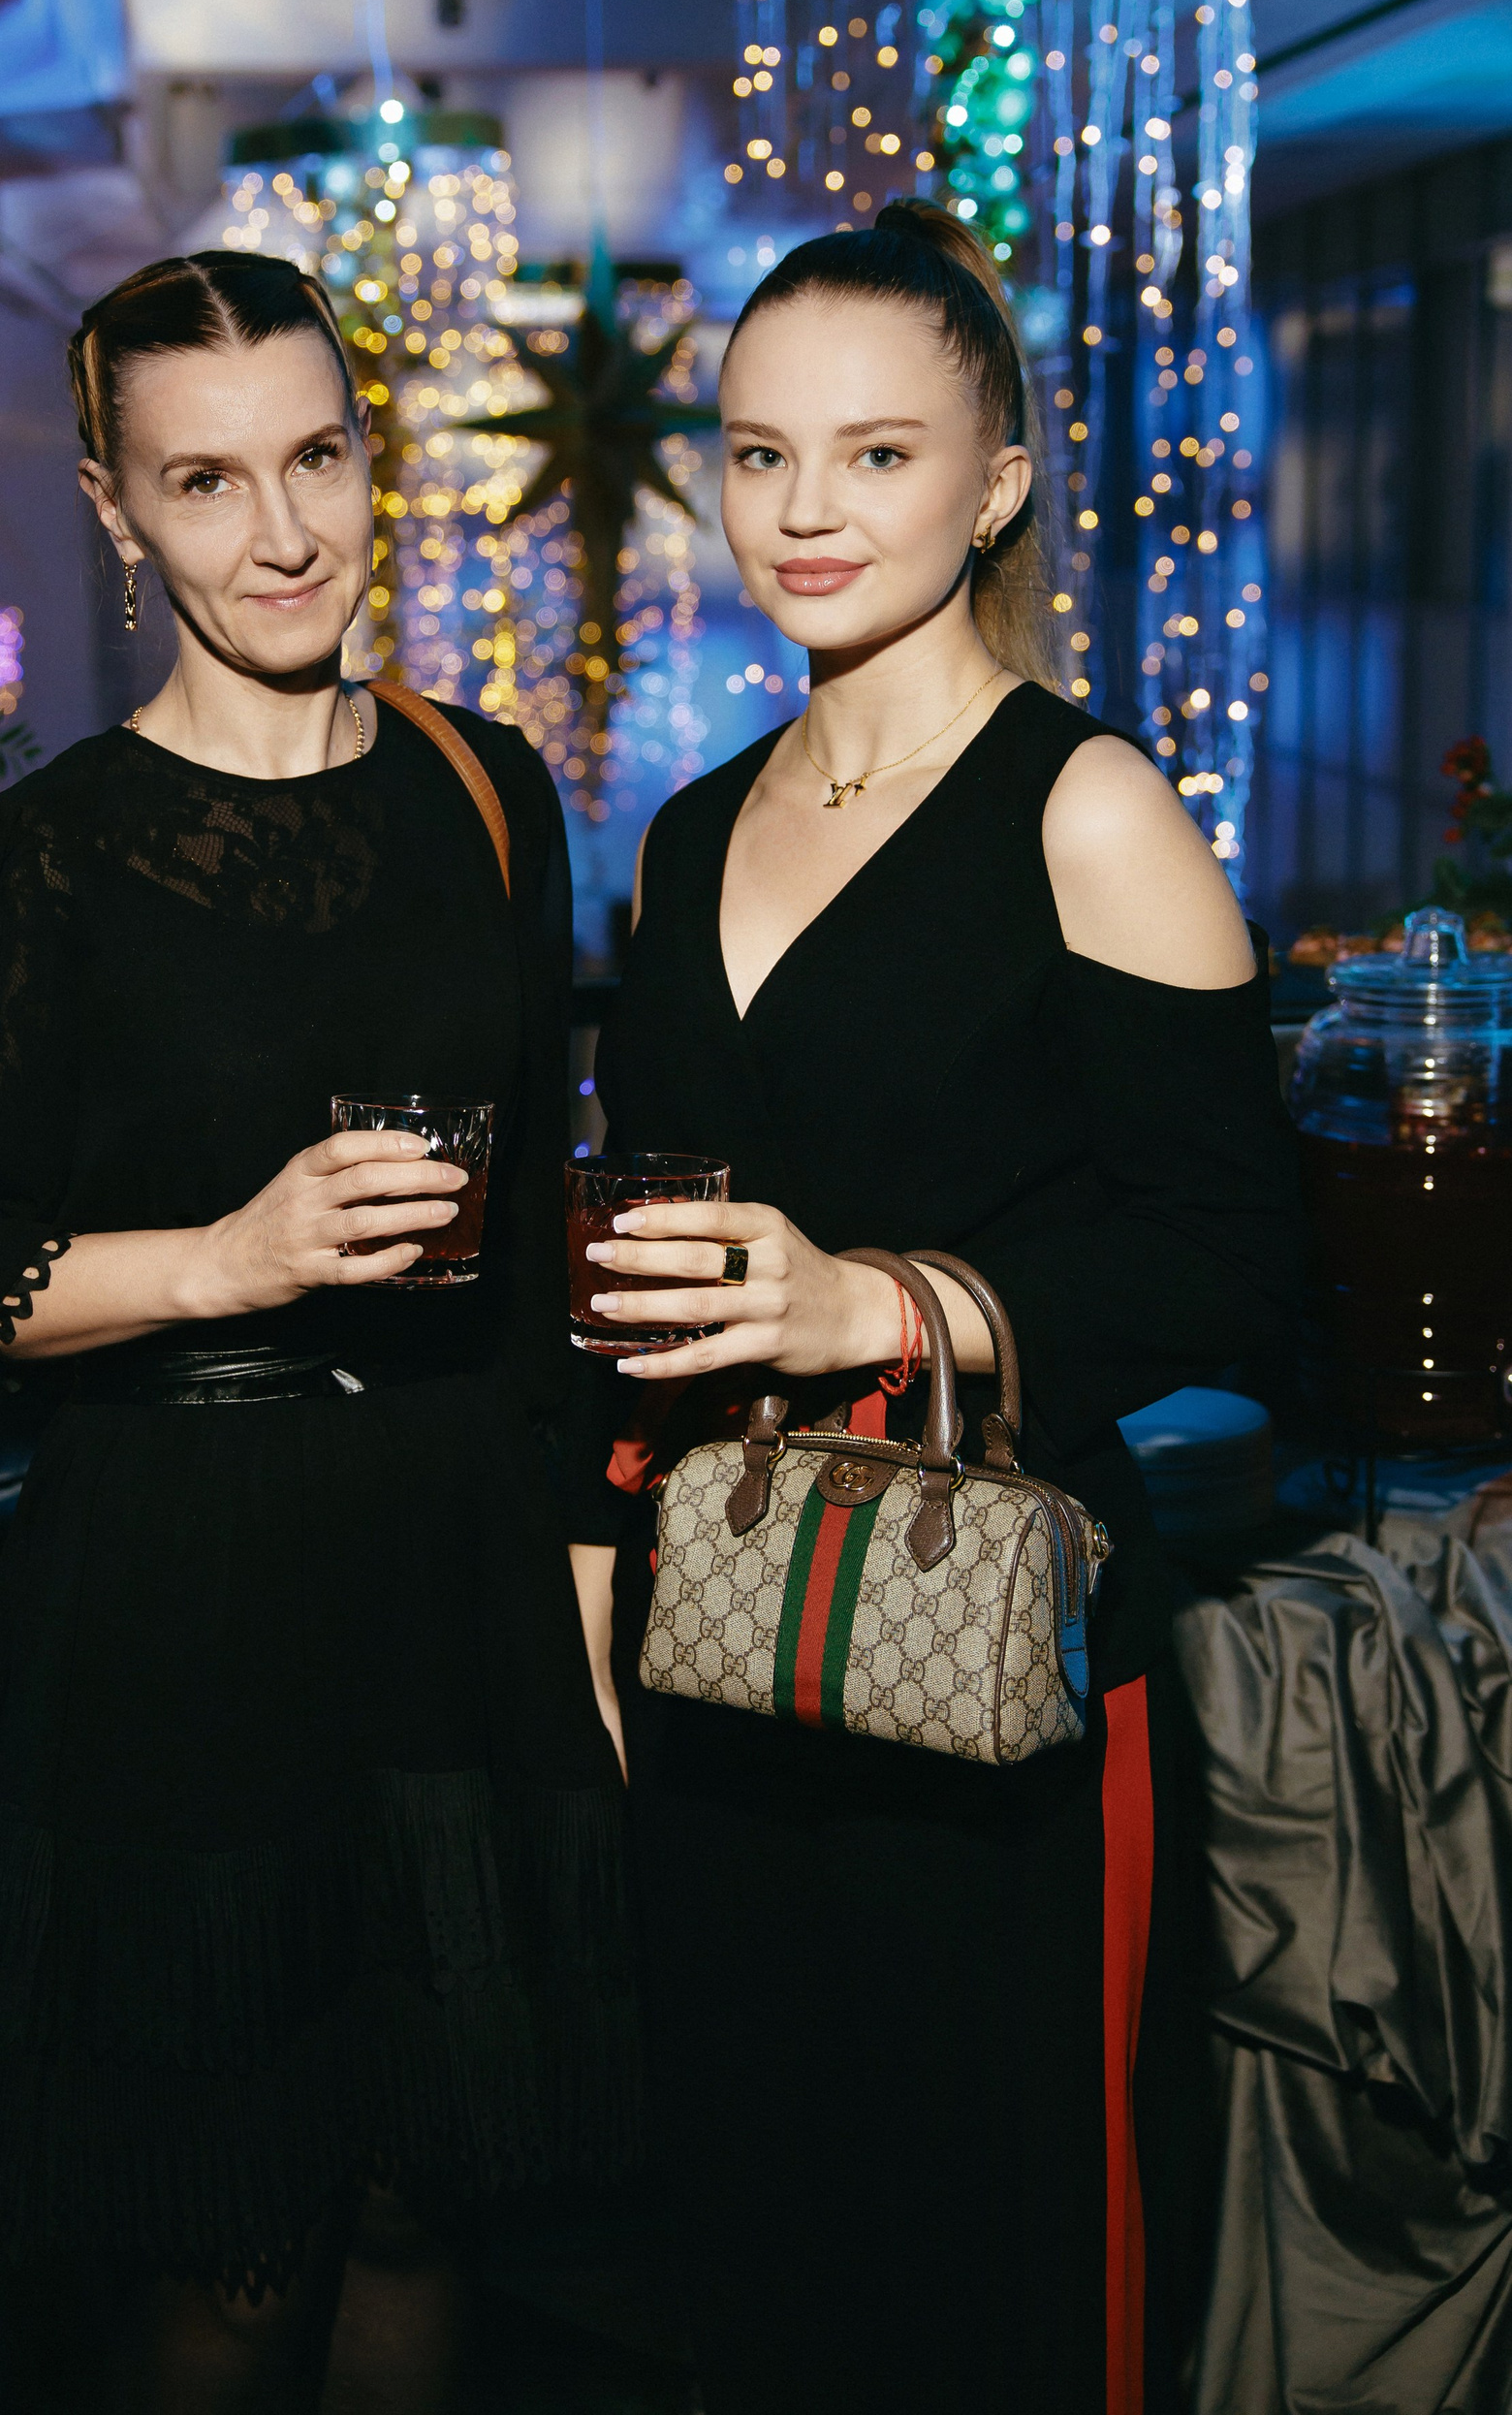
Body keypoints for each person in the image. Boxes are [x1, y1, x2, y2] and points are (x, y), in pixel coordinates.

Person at [0, 251, 636, 2413]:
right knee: (233, 2261)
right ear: (112, 506)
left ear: (371, 454)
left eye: (316, 458)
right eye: (204, 480)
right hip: (181, 1606)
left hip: (454, 1592)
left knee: (423, 2201)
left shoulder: (487, 791)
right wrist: (221, 1260)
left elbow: (534, 1270)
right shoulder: (34, 862)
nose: (281, 534)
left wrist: (586, 1621)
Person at [572, 201, 1301, 2415]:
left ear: (995, 486)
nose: (805, 509)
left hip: (987, 1663)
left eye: (877, 455)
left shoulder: (1090, 808)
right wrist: (589, 1607)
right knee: (751, 2264)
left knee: (989, 2276)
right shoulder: (688, 834)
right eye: (760, 452)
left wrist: (876, 1306)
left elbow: (1238, 1262)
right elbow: (640, 1286)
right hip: (720, 1649)